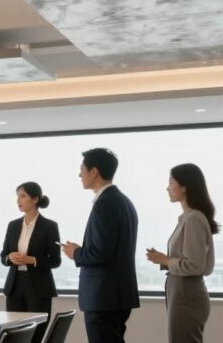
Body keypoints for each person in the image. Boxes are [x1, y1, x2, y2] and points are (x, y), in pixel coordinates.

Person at [63, 147, 139, 343]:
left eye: (82, 169)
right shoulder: (124, 201)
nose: (79, 174)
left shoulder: (105, 204)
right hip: (118, 296)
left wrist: (76, 253)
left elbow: (101, 254)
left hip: (103, 297)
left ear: (94, 171)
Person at [146, 163, 219, 343]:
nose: (167, 187)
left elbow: (194, 265)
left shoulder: (194, 218)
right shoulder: (188, 218)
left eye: (171, 182)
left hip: (187, 297)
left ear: (184, 186)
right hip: (182, 295)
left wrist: (165, 259)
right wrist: (163, 261)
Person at [0, 181, 61, 343]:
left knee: (36, 333)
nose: (18, 201)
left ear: (35, 199)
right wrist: (9, 258)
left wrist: (31, 260)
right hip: (15, 285)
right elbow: (3, 255)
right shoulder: (12, 226)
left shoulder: (49, 226)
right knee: (13, 333)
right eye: (17, 197)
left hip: (39, 286)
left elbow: (55, 260)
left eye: (22, 196)